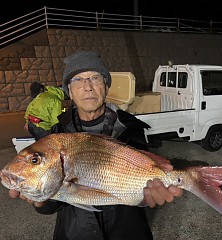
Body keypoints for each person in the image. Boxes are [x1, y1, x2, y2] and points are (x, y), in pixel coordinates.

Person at [9, 50, 182, 240]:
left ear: (106, 86)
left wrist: (151, 192)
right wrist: (40, 201)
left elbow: (143, 183)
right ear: (70, 93)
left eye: (95, 78)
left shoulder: (130, 128)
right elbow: (54, 202)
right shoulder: (56, 136)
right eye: (78, 80)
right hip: (74, 234)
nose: (88, 86)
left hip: (126, 232)